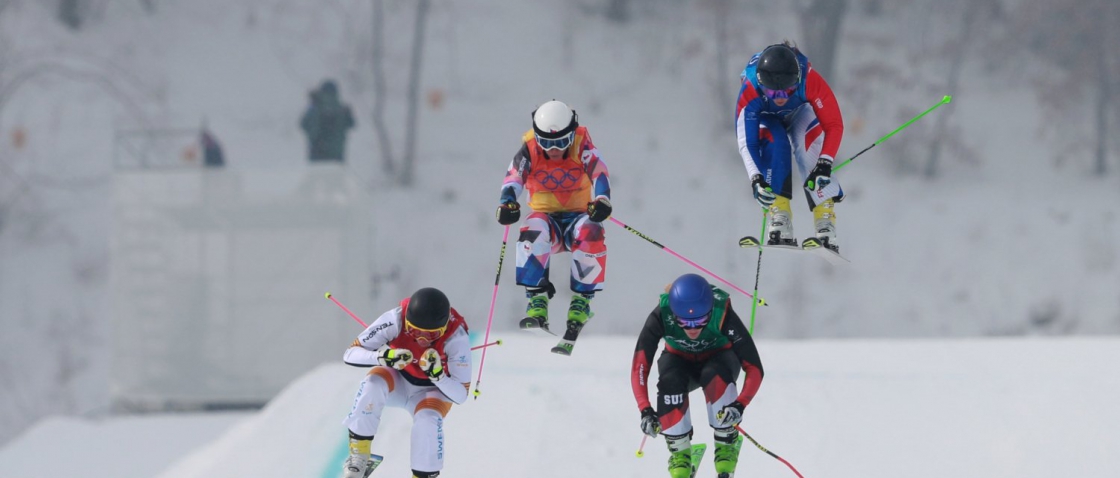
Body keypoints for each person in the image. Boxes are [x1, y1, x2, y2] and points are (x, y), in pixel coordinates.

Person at [495, 99, 612, 356]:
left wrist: (602, 200)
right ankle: (537, 300)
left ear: (572, 134)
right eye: (547, 143)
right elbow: (514, 177)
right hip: (547, 221)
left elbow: (599, 172)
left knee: (592, 229)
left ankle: (582, 301)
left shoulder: (582, 145)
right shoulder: (529, 150)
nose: (555, 149)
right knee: (532, 228)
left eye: (561, 141)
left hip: (577, 218)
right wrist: (507, 203)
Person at [631, 274, 764, 478]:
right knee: (670, 381)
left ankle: (725, 443)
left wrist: (740, 405)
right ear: (674, 314)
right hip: (679, 360)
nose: (692, 329)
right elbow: (640, 365)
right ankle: (680, 452)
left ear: (710, 311)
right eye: (683, 322)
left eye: (701, 321)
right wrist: (645, 409)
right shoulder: (661, 314)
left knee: (715, 375)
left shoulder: (722, 312)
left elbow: (754, 367)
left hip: (720, 359)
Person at [340, 287, 471, 478]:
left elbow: (461, 395)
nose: (422, 339)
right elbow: (351, 353)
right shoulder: (395, 319)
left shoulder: (456, 337)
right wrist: (383, 357)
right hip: (399, 379)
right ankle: (359, 455)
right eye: (414, 331)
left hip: (431, 391)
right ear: (407, 321)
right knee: (372, 384)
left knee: (427, 420)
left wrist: (439, 376)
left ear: (443, 329)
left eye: (432, 335)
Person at [735, 41, 845, 252]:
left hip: (798, 112)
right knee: (774, 140)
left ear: (797, 80)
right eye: (773, 93)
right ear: (761, 85)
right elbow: (746, 142)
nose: (781, 98)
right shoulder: (750, 89)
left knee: (809, 140)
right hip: (765, 117)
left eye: (788, 91)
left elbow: (834, 124)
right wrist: (756, 179)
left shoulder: (809, 78)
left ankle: (825, 219)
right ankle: (780, 214)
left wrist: (825, 162)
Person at [301, 79, 356, 162]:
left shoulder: (315, 108)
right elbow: (351, 124)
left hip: (316, 154)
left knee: (317, 174)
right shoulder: (342, 109)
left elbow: (303, 124)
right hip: (337, 155)